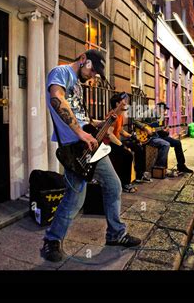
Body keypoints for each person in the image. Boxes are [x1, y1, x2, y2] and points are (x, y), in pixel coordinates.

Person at [41, 50, 141, 262]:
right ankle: (52, 240)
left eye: (97, 73)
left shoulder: (77, 84)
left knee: (114, 185)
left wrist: (96, 123)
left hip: (89, 144)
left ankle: (116, 234)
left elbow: (80, 115)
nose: (93, 75)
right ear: (83, 59)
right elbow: (57, 99)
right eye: (93, 70)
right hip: (74, 147)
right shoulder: (61, 72)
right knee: (75, 198)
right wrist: (80, 132)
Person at [108, 92, 151, 193]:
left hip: (118, 141)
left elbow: (121, 130)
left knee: (139, 146)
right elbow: (109, 134)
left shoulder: (120, 115)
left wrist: (132, 136)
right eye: (123, 102)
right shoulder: (112, 116)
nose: (126, 104)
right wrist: (121, 145)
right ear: (117, 104)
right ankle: (125, 183)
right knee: (127, 155)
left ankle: (140, 175)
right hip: (110, 144)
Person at [149, 103, 193, 173]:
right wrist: (164, 131)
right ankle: (161, 167)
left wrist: (166, 131)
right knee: (166, 144)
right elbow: (155, 129)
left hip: (161, 136)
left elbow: (162, 131)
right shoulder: (152, 116)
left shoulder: (161, 117)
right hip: (154, 137)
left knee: (177, 143)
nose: (165, 111)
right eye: (164, 109)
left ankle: (181, 165)